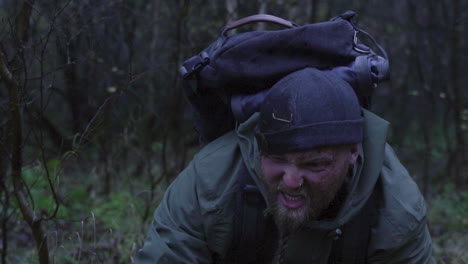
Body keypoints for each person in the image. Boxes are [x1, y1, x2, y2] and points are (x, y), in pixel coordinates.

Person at [135, 68, 435, 263]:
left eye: (315, 164)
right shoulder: (210, 181)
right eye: (276, 159)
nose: (291, 180)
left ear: (353, 153)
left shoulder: (395, 207)